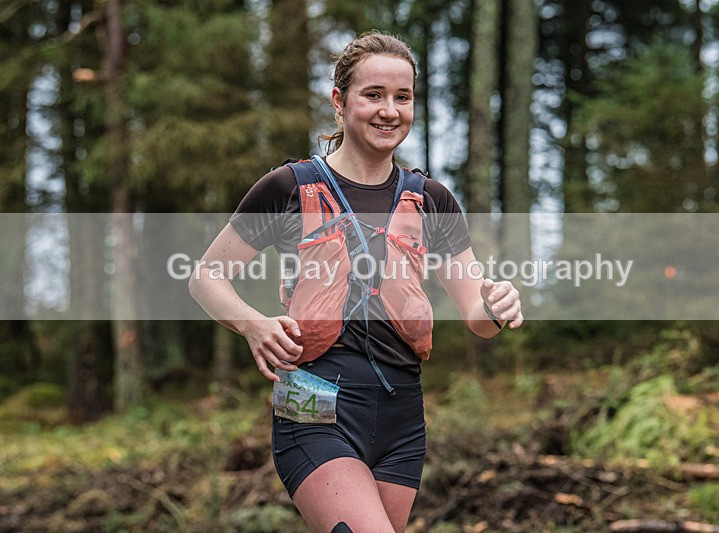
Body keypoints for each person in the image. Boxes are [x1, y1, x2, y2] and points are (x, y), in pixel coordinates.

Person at [189, 31, 523, 533]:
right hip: (312, 409)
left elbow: (478, 315)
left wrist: (499, 304)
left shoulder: (432, 199)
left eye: (402, 97)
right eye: (373, 95)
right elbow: (205, 276)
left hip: (402, 419)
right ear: (340, 101)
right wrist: (253, 325)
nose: (390, 110)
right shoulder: (289, 187)